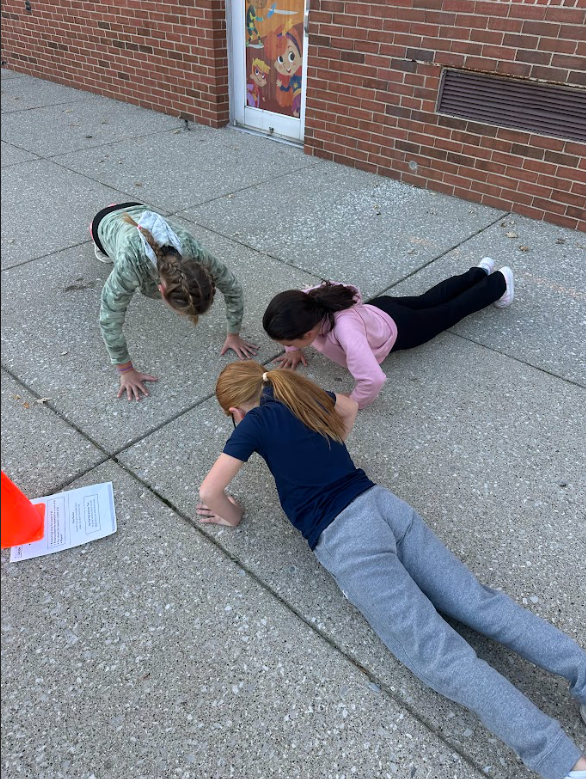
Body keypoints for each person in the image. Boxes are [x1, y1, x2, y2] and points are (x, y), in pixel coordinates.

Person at [197, 361, 586, 779]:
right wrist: (333, 445)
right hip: (382, 505)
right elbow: (348, 408)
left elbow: (210, 490)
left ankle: (562, 762)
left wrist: (232, 515)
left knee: (440, 654)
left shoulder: (253, 422)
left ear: (236, 410)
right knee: (477, 602)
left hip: (347, 539)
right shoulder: (300, 394)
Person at [262, 258, 515, 408]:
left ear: (308, 334)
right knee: (430, 298)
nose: (288, 345)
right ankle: (481, 271)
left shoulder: (346, 332)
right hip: (381, 308)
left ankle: (500, 282)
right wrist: (293, 350)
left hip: (404, 329)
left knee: (451, 310)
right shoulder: (308, 300)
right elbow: (290, 323)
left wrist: (354, 401)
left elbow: (373, 378)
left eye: (290, 342)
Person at [90, 203, 258, 401]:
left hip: (138, 206)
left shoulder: (195, 252)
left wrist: (234, 334)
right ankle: (97, 242)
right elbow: (109, 319)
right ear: (159, 290)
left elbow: (233, 289)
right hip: (103, 221)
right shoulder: (130, 264)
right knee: (106, 257)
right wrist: (126, 371)